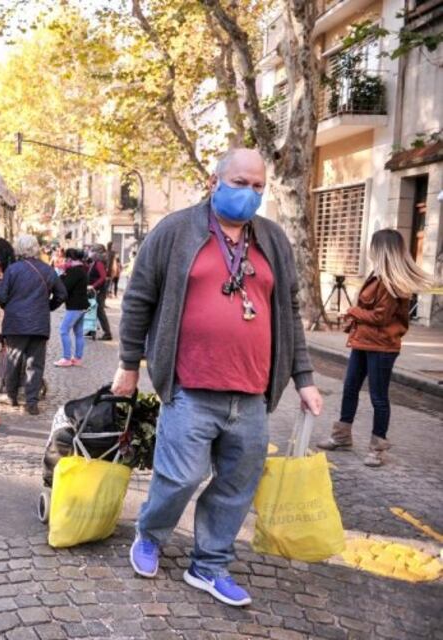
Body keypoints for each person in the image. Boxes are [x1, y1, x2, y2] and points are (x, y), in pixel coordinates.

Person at [111, 148, 323, 607]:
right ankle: (150, 535)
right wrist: (129, 365)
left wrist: (303, 377)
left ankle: (209, 565)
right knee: (180, 476)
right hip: (190, 386)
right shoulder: (175, 231)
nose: (250, 193)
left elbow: (288, 313)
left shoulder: (273, 240)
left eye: (258, 186)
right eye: (241, 182)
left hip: (251, 393)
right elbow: (138, 300)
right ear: (215, 181)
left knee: (235, 485)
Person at [317, 229, 433, 466]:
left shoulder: (393, 283)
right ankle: (341, 437)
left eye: (373, 246)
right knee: (350, 388)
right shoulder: (377, 276)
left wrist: (351, 311)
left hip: (382, 346)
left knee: (378, 398)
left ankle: (377, 448)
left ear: (381, 250)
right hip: (363, 341)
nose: (369, 250)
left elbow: (380, 317)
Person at [0, 234, 67, 415]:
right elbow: (62, 294)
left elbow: (1, 296)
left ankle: (11, 396)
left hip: (16, 323)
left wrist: (10, 307)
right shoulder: (48, 270)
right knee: (35, 364)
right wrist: (48, 307)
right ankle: (31, 402)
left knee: (14, 360)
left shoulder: (13, 270)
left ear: (19, 249)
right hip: (39, 324)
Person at [55, 248, 90, 367]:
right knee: (78, 333)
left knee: (63, 330)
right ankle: (78, 358)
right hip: (82, 306)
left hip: (75, 306)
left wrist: (62, 274)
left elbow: (65, 286)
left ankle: (67, 358)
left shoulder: (74, 271)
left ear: (70, 258)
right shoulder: (80, 269)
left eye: (66, 258)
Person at [87, 245, 113, 340]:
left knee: (99, 311)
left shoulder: (99, 263)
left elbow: (102, 277)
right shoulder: (95, 262)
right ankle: (91, 329)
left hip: (98, 291)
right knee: (94, 310)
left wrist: (93, 286)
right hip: (96, 290)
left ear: (96, 253)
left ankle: (107, 333)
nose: (90, 252)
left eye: (92, 251)